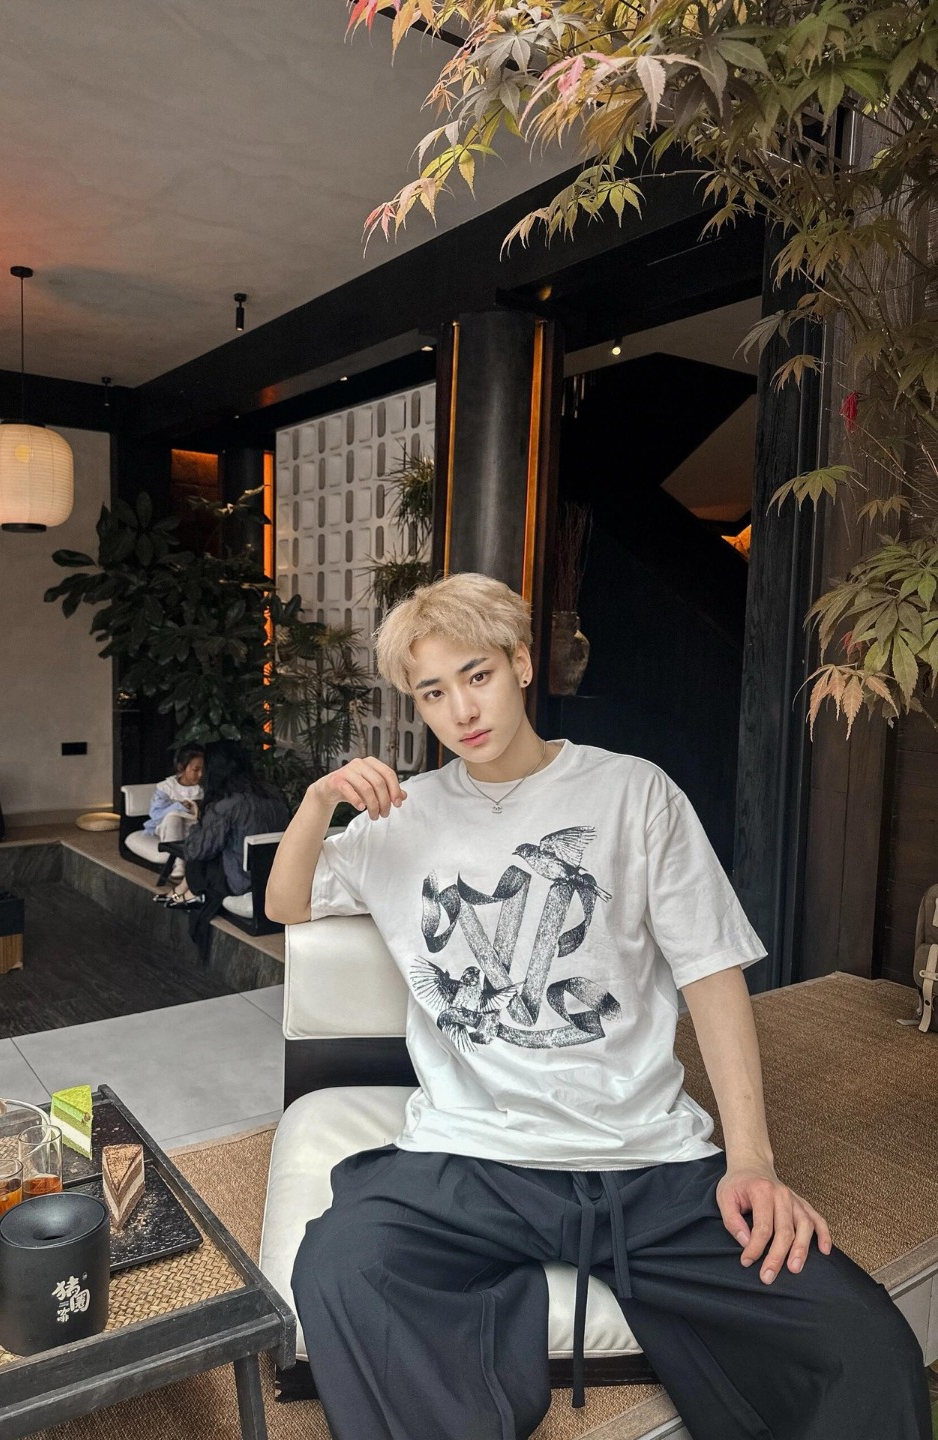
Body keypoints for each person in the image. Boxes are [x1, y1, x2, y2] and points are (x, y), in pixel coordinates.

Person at [265, 572, 929, 1440]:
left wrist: (753, 1161)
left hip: (644, 1158)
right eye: (432, 693)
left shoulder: (633, 793)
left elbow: (712, 975)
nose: (461, 710)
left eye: (477, 675)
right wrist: (318, 802)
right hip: (472, 1155)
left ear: (520, 663)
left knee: (862, 1342)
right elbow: (286, 902)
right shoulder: (401, 818)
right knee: (340, 1266)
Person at [170, 740, 290, 957]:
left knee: (199, 861)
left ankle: (181, 895)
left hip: (242, 883)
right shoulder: (274, 794)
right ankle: (181, 893)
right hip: (277, 878)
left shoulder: (226, 805)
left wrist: (198, 821)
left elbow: (196, 850)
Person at [144, 744, 203, 892]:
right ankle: (178, 862)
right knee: (173, 818)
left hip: (193, 828)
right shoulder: (166, 787)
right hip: (167, 827)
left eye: (203, 770)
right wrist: (179, 807)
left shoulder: (203, 788)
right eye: (196, 770)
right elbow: (156, 814)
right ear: (181, 767)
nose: (200, 774)